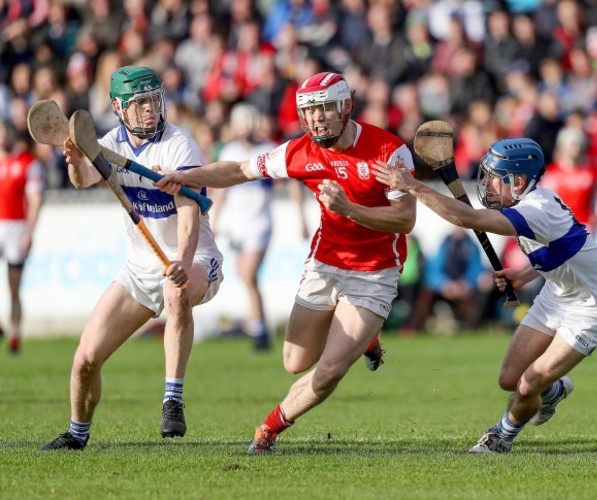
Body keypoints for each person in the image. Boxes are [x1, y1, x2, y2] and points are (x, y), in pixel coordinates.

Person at [156, 71, 417, 454]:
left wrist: (349, 208)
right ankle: (364, 339)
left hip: (374, 274)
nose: (316, 120)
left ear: (346, 106)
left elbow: (405, 219)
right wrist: (187, 176)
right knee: (295, 361)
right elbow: (239, 170)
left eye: (325, 110)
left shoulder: (388, 152)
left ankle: (269, 429)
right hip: (325, 264)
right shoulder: (301, 151)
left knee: (328, 371)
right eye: (309, 112)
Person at [372, 137, 597, 454]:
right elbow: (564, 250)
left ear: (518, 181)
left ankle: (500, 437)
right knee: (510, 379)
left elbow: (469, 218)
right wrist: (525, 273)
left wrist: (413, 187)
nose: (487, 184)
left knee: (528, 383)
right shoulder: (527, 203)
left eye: (494, 178)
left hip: (594, 307)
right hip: (558, 294)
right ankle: (553, 390)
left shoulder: (537, 210)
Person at [41, 65, 224, 451]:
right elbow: (83, 181)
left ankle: (172, 400)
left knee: (175, 293)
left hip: (195, 258)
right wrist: (75, 161)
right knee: (85, 359)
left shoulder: (180, 146)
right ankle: (77, 434)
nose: (148, 110)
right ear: (119, 108)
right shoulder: (110, 143)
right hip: (140, 266)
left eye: (153, 101)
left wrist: (182, 261)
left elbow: (190, 216)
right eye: (139, 103)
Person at [210, 103, 307, 351]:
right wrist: (215, 219)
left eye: (247, 121)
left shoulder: (267, 150)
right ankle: (260, 328)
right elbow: (220, 190)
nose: (244, 127)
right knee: (247, 279)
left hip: (260, 223)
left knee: (249, 275)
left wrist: (301, 218)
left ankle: (258, 328)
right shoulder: (229, 150)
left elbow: (291, 182)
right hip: (237, 225)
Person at [0, 122, 45, 354]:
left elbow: (36, 199)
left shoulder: (27, 163)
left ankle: (15, 333)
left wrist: (29, 232)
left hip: (16, 228)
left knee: (13, 286)